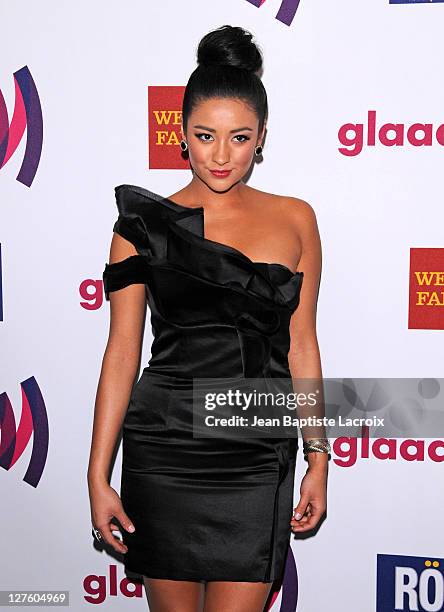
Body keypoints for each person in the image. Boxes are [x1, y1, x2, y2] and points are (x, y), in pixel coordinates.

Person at [87, 24, 329, 612]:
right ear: (181, 135)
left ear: (261, 137)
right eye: (205, 136)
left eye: (239, 137)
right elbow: (122, 353)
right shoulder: (142, 229)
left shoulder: (296, 220)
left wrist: (317, 456)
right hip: (164, 446)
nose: (221, 155)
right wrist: (98, 474)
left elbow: (301, 345)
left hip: (256, 450)